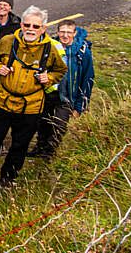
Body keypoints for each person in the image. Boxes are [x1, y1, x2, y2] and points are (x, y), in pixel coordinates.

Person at [0, 6, 66, 187]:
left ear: (43, 29)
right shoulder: (7, 41)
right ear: (21, 24)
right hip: (2, 100)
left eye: (36, 26)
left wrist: (49, 78)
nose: (30, 29)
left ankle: (8, 177)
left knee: (20, 144)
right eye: (27, 24)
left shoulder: (51, 48)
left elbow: (60, 70)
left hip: (31, 105)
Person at [30, 19, 94, 159]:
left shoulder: (83, 53)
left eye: (69, 32)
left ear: (74, 33)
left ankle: (50, 151)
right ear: (57, 32)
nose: (65, 35)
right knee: (43, 121)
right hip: (48, 93)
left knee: (59, 124)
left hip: (68, 96)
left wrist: (80, 107)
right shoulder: (50, 46)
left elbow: (87, 79)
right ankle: (40, 146)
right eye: (62, 32)